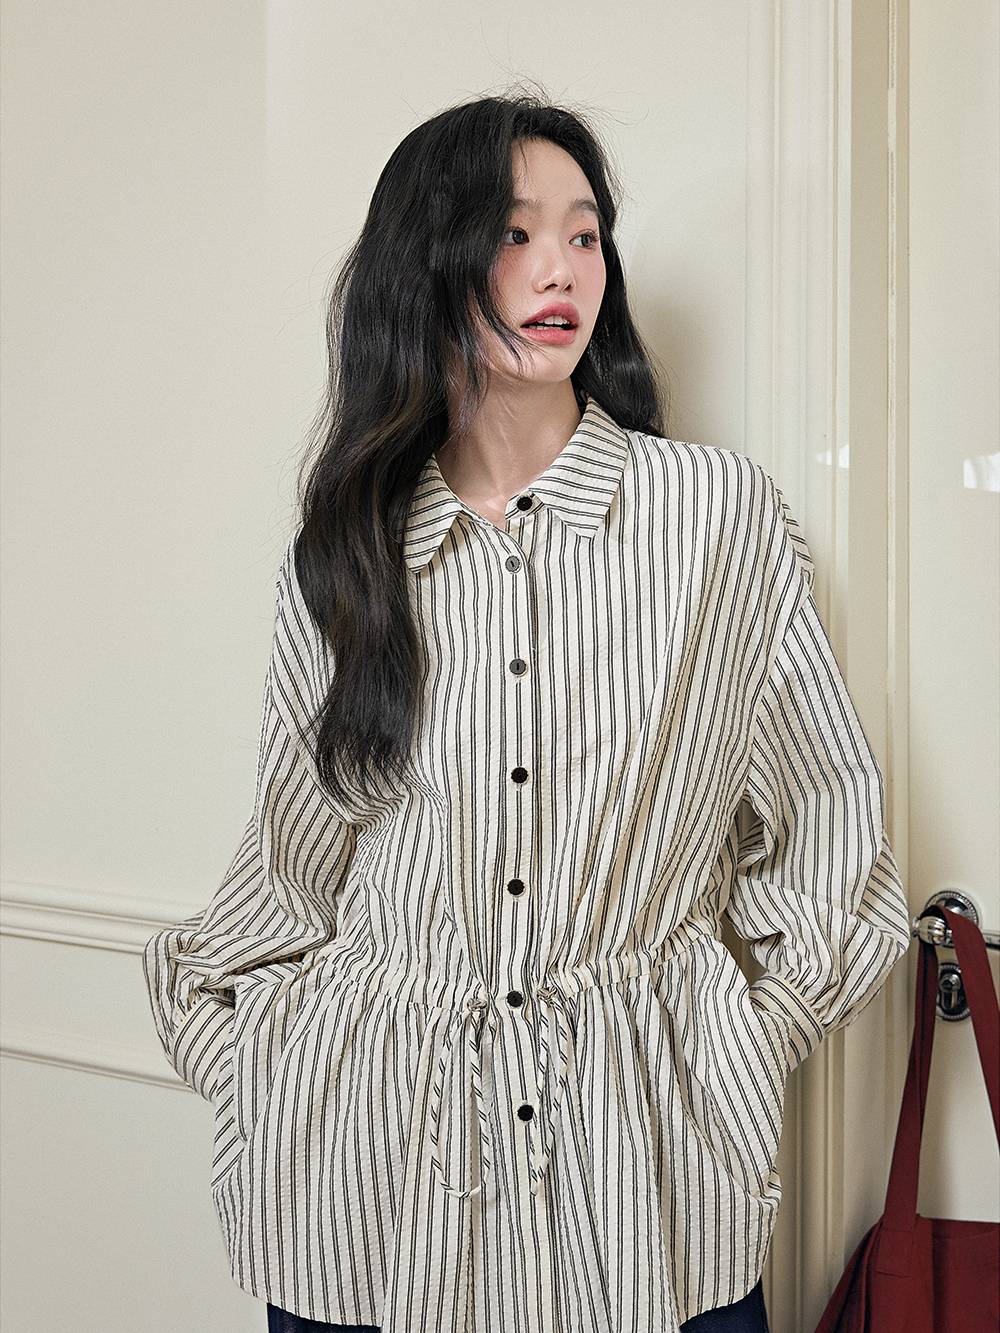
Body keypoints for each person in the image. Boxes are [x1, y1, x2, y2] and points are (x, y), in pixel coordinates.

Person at [143, 87, 912, 1333]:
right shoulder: (347, 557)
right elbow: (290, 871)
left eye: (584, 233)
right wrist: (264, 1075)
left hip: (645, 1193)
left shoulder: (713, 518)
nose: (559, 268)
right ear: (426, 260)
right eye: (511, 232)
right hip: (370, 1189)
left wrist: (739, 1045)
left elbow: (829, 820)